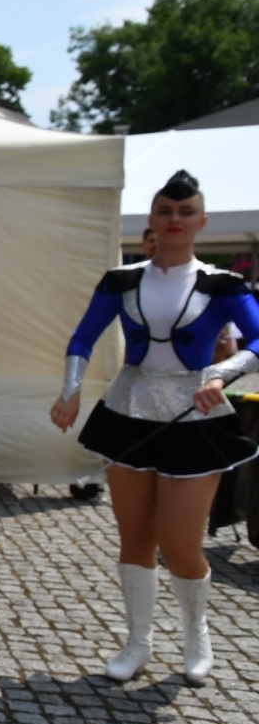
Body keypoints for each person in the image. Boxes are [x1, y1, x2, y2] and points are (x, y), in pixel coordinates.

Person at [52, 169, 259, 686]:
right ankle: (137, 642)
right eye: (165, 212)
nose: (174, 221)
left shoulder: (223, 285)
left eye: (185, 213)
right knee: (135, 538)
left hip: (195, 414)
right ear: (152, 218)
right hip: (127, 409)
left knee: (182, 544)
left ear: (201, 221)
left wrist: (222, 375)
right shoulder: (121, 281)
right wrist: (71, 389)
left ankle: (197, 636)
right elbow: (81, 338)